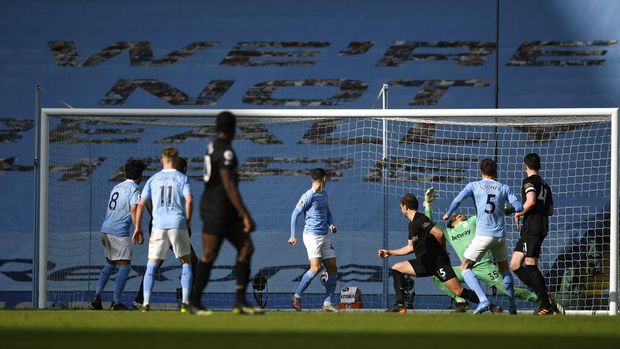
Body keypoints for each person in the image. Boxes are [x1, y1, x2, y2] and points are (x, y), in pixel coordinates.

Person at [189, 111, 261, 315]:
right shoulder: (226, 152)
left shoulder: (212, 146)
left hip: (223, 210)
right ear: (233, 128)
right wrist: (245, 214)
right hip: (217, 209)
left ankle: (239, 301)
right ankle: (194, 302)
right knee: (209, 254)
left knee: (246, 247)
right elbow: (229, 185)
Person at [423, 187, 538, 312]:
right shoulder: (448, 233)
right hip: (466, 267)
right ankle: (460, 300)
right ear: (453, 219)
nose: (458, 214)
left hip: (484, 266)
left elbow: (488, 213)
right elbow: (430, 224)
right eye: (455, 215)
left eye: (459, 214)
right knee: (437, 276)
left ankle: (541, 299)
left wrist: (501, 207)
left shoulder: (473, 221)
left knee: (510, 290)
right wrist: (427, 205)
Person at [443, 158, 523, 314]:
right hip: (500, 237)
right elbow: (519, 206)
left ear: (481, 172)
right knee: (505, 270)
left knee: (465, 267)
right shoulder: (504, 187)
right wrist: (509, 210)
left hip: (483, 235)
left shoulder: (474, 186)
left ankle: (483, 300)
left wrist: (448, 214)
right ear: (495, 172)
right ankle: (512, 306)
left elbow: (458, 199)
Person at [378, 193, 482, 313]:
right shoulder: (411, 225)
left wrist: (442, 251)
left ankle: (488, 304)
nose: (401, 209)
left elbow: (439, 233)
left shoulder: (420, 218)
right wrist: (390, 252)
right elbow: (410, 247)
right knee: (397, 268)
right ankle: (400, 305)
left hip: (438, 262)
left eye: (401, 207)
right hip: (425, 263)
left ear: (405, 206)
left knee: (458, 291)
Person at [132, 157, 199, 310]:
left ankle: (141, 301)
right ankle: (188, 300)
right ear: (182, 169)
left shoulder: (155, 179)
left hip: (157, 225)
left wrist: (151, 217)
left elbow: (144, 201)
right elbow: (188, 202)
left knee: (154, 264)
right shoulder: (181, 180)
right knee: (191, 262)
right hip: (175, 225)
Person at [91, 159, 146, 310]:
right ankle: (116, 302)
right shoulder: (135, 189)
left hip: (105, 229)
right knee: (125, 266)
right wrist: (138, 228)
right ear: (140, 175)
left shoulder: (116, 187)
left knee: (110, 263)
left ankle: (97, 297)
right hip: (118, 231)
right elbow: (134, 209)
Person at [510, 153, 560, 315]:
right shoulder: (546, 185)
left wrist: (519, 213)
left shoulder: (529, 181)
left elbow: (530, 201)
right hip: (537, 226)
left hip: (533, 227)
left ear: (525, 166)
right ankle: (544, 296)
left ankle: (545, 305)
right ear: (539, 166)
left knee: (530, 265)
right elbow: (550, 211)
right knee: (515, 264)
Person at [289, 168, 339, 312]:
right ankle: (296, 296)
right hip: (311, 236)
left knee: (333, 268)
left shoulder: (324, 194)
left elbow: (327, 212)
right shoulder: (308, 195)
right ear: (324, 178)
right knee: (315, 268)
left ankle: (327, 303)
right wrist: (293, 235)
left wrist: (331, 224)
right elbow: (295, 214)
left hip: (324, 236)